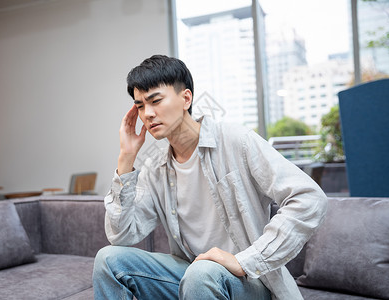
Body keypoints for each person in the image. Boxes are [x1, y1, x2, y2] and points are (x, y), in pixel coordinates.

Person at [93, 55, 327, 300]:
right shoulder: (155, 168)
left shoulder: (236, 141)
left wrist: (245, 261)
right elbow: (122, 235)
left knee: (202, 272)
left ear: (186, 98)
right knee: (108, 259)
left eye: (156, 100)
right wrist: (126, 158)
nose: (147, 114)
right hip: (193, 276)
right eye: (140, 105)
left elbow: (310, 198)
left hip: (249, 282)